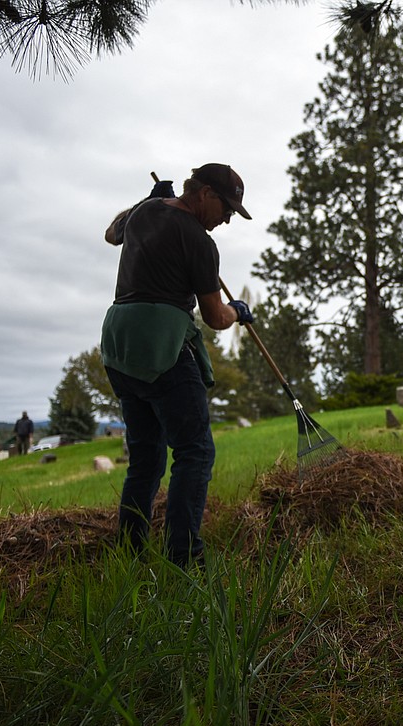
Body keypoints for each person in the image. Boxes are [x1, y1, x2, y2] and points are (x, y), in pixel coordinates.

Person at [100, 163, 255, 568]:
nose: (226, 219)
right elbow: (215, 318)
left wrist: (145, 203)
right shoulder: (201, 243)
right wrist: (238, 311)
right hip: (161, 343)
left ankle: (130, 553)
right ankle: (184, 559)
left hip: (120, 341)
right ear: (204, 194)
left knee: (146, 457)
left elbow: (111, 232)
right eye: (226, 209)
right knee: (195, 452)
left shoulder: (145, 214)